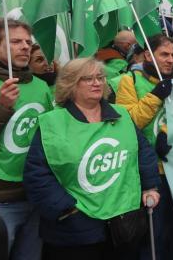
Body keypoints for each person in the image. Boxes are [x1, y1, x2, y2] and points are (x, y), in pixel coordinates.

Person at [23, 58, 160, 259]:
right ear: (70, 84)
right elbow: (37, 174)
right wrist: (67, 210)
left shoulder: (121, 114)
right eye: (87, 79)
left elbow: (143, 152)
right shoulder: (53, 122)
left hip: (124, 224)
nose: (97, 83)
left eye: (100, 77)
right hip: (76, 229)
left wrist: (150, 187)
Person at [0, 20, 53, 259]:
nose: (25, 47)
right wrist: (1, 106)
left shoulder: (41, 86)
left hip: (34, 194)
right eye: (16, 41)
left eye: (28, 42)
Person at [113, 35, 173, 259]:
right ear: (148, 55)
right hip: (148, 173)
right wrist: (156, 96)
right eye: (164, 54)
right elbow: (129, 123)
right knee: (153, 236)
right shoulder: (130, 81)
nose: (170, 60)